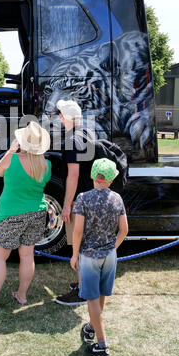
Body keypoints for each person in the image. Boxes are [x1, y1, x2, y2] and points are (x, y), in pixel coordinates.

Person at [55, 99, 128, 306]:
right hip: (95, 197)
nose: (59, 118)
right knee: (86, 245)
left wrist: (67, 205)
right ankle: (83, 283)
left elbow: (73, 175)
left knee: (78, 247)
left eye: (60, 114)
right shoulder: (86, 131)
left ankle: (81, 292)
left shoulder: (71, 140)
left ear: (65, 118)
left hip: (82, 201)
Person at [0, 121, 51, 310]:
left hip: (10, 214)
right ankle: (22, 296)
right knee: (27, 256)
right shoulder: (46, 164)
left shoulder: (12, 160)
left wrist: (10, 150)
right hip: (38, 213)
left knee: (0, 257)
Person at [70, 158, 128, 356]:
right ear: (111, 180)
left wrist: (74, 254)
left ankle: (102, 346)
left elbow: (77, 231)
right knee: (101, 295)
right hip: (110, 256)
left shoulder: (83, 198)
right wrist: (112, 247)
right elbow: (124, 230)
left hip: (89, 256)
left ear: (93, 176)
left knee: (92, 298)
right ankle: (91, 328)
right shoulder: (117, 199)